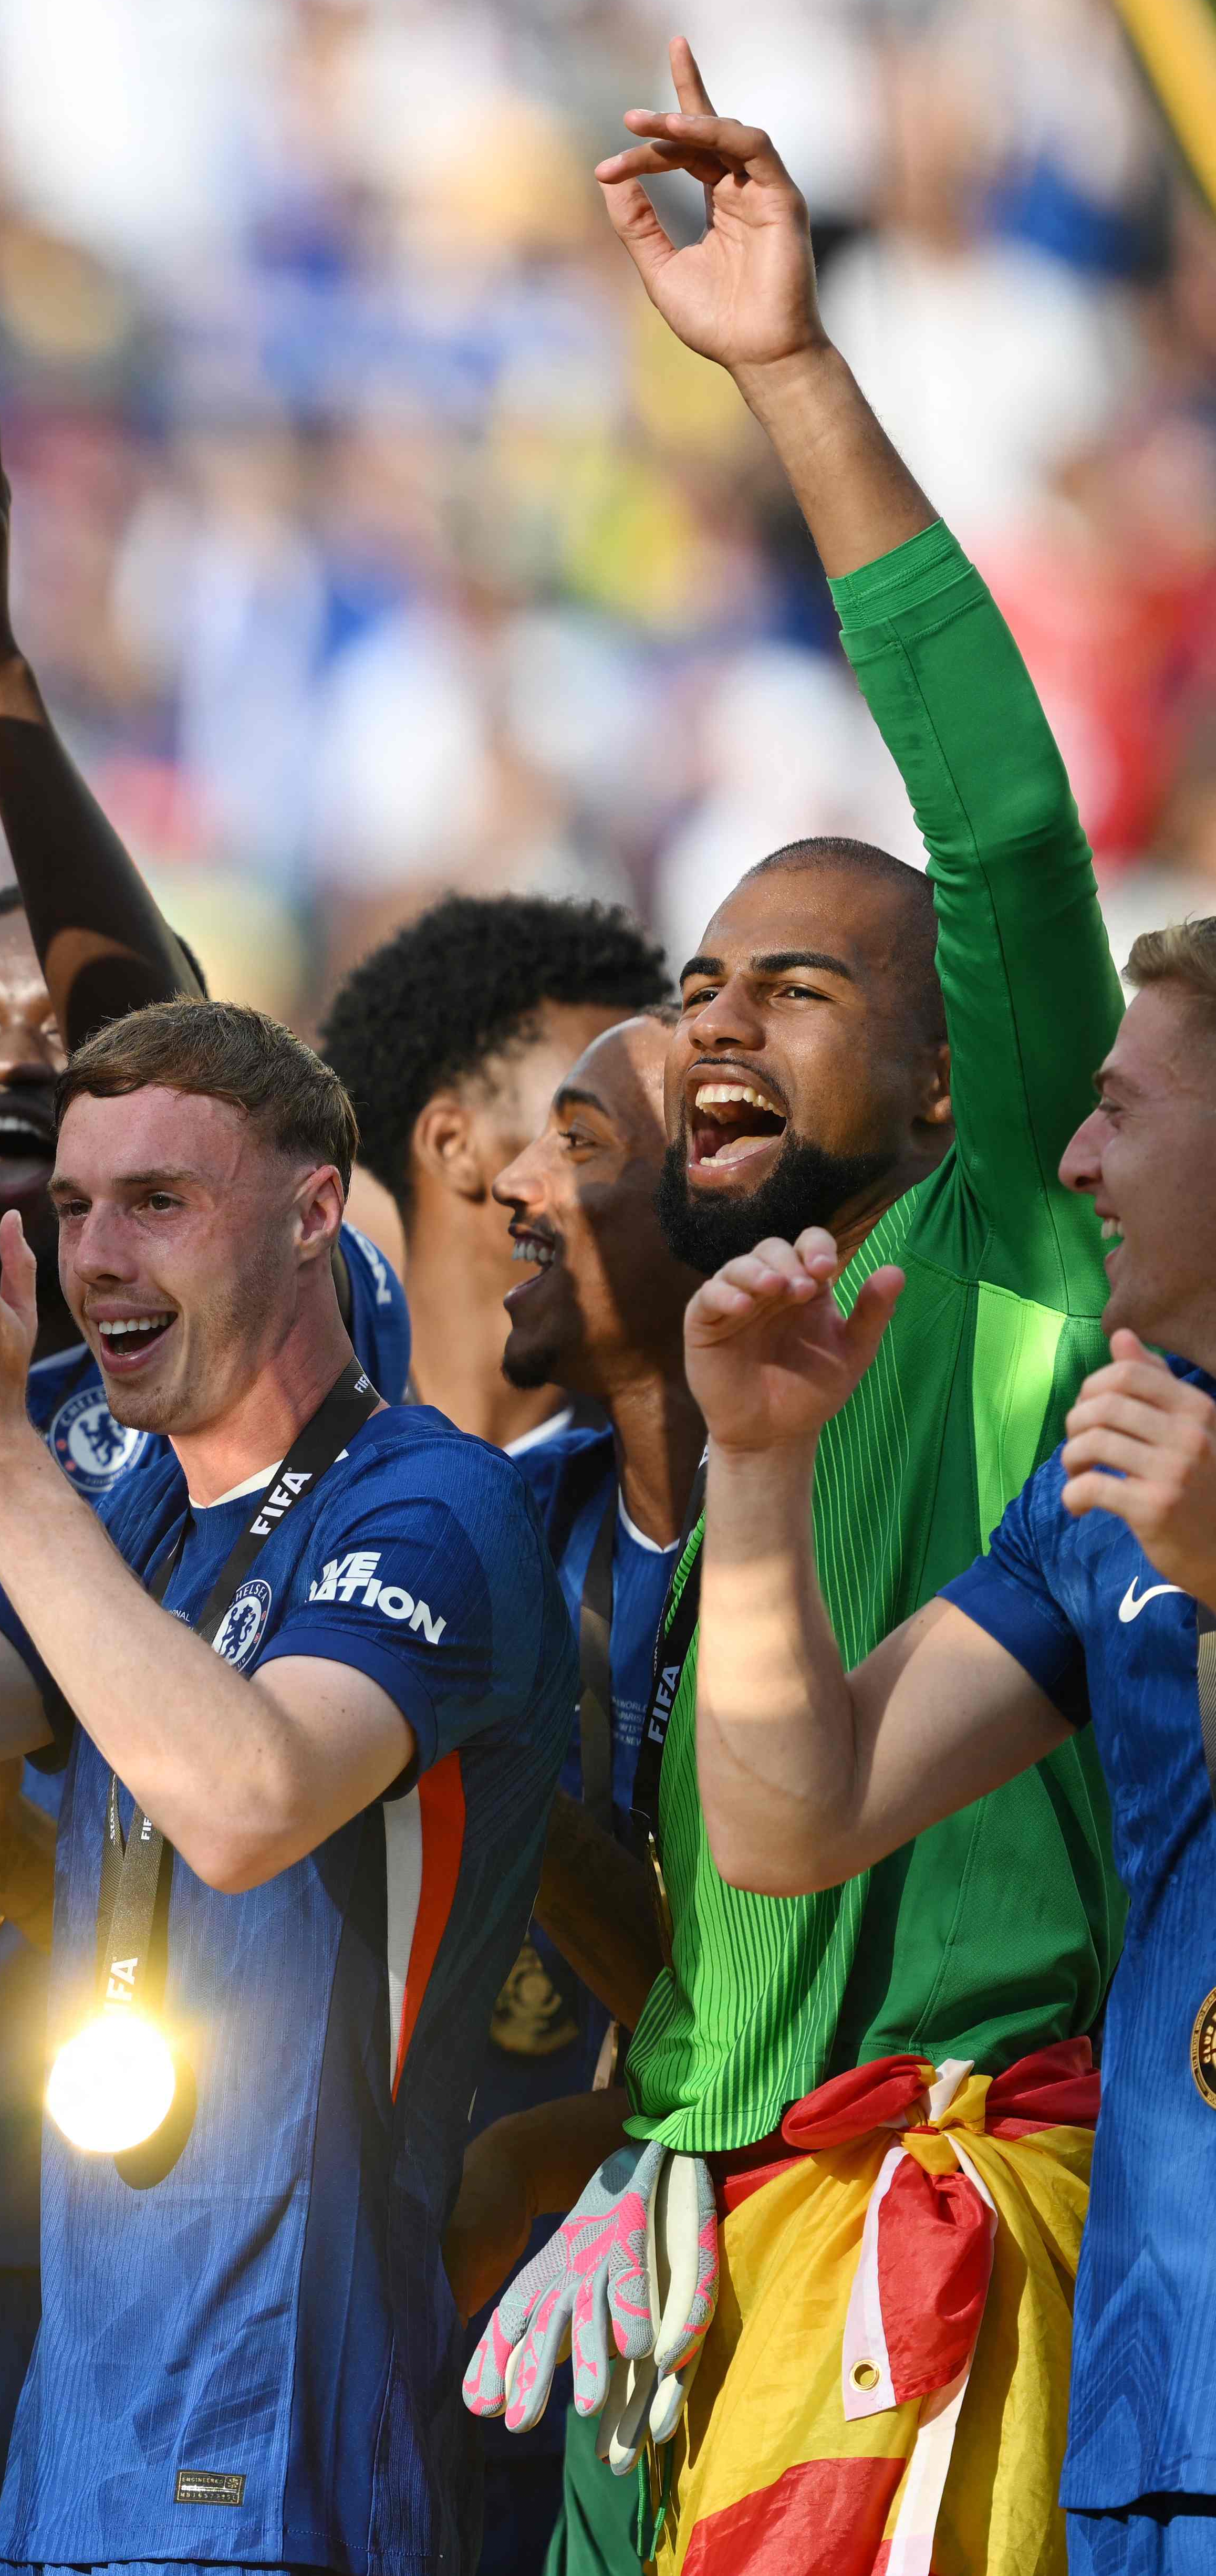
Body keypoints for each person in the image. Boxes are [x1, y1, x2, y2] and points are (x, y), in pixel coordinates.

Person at [472, 48, 1127, 2576]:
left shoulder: (995, 1242)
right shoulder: (614, 1419)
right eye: (696, 978)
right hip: (678, 2228)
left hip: (936, 2217)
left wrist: (777, 369)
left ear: (962, 1055)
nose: (723, 1016)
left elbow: (986, 812)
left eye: (803, 983)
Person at [0, 1004, 567, 2576]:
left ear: (314, 1209)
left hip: (295, 2457)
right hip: (80, 2465)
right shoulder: (130, 1525)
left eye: (156, 1202)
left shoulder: (430, 1498)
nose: (98, 1252)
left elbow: (250, 1796)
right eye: (71, 1208)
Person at [678, 915, 1215, 2576]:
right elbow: (792, 1815)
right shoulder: (1109, 1472)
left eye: (1119, 1108)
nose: (1071, 1153)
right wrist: (760, 1472)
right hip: (1155, 2382)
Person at [444, 1009, 698, 2576]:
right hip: (548, 2331)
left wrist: (549, 2152)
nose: (517, 1187)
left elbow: (818, 2013)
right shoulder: (497, 1522)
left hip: (814, 2288)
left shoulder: (865, 1534)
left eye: (584, 1141)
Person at [316, 896, 672, 1451]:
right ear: (452, 1145)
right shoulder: (293, 1433)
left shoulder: (681, 1452)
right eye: (586, 1125)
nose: (662, 1153)